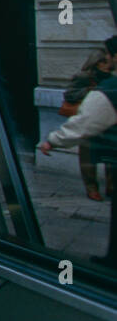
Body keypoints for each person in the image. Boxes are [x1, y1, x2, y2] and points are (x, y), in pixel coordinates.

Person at [40, 35, 117, 268]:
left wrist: (53, 140)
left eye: (109, 55)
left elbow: (83, 124)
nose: (107, 59)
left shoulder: (110, 91)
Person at [63, 47, 113, 201]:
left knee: (111, 155)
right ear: (96, 63)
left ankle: (112, 187)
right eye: (104, 61)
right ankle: (91, 188)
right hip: (88, 121)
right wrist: (90, 91)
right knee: (88, 157)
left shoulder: (111, 77)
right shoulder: (83, 76)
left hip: (108, 121)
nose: (108, 64)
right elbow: (69, 94)